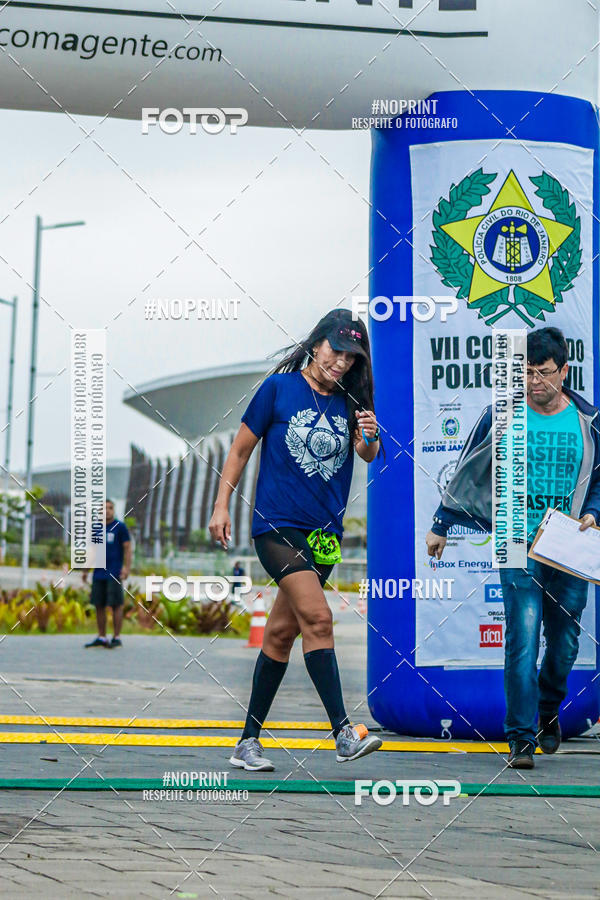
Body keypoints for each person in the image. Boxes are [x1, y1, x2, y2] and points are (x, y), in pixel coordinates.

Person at [209, 308, 383, 771]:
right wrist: (221, 505)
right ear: (316, 343)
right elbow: (241, 448)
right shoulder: (278, 390)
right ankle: (343, 732)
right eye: (335, 351)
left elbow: (367, 454)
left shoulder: (351, 401)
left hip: (324, 536)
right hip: (277, 529)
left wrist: (369, 438)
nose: (342, 363)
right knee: (320, 620)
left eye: (351, 357)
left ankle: (247, 742)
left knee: (283, 633)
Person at [426, 327, 600, 769]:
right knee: (522, 638)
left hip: (569, 546)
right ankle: (521, 737)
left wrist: (593, 514)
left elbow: (599, 481)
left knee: (564, 645)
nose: (533, 382)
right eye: (524, 373)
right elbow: (467, 469)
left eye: (543, 373)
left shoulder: (589, 420)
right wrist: (442, 523)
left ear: (564, 371)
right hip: (516, 541)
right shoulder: (500, 415)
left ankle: (546, 708)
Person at [84, 499, 131, 649]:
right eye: (104, 508)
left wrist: (126, 568)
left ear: (113, 510)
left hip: (114, 572)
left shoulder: (120, 527)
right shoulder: (96, 528)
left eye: (110, 508)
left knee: (116, 605)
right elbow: (92, 551)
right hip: (98, 573)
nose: (107, 511)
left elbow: (127, 549)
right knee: (99, 605)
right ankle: (102, 637)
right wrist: (86, 570)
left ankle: (116, 637)